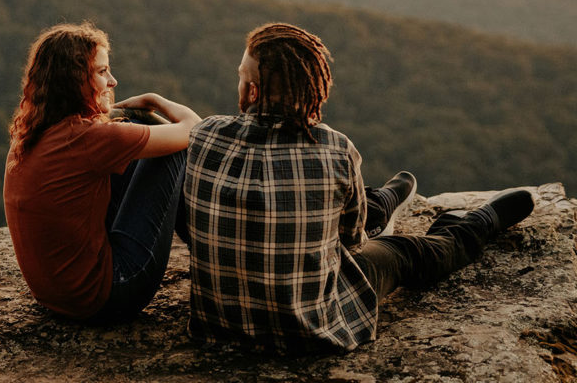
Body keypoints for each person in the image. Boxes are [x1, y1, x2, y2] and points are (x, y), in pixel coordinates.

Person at [184, 22, 535, 354]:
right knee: (403, 253)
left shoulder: (204, 135)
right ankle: (473, 226)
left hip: (220, 330)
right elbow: (352, 243)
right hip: (309, 330)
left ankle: (381, 204)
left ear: (251, 90)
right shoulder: (333, 149)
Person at [3, 22, 201, 323]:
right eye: (102, 72)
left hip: (56, 296)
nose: (113, 81)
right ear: (73, 81)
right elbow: (193, 131)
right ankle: (211, 252)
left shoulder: (31, 132)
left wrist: (130, 119)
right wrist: (154, 101)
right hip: (108, 296)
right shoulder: (90, 140)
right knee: (171, 150)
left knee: (133, 126)